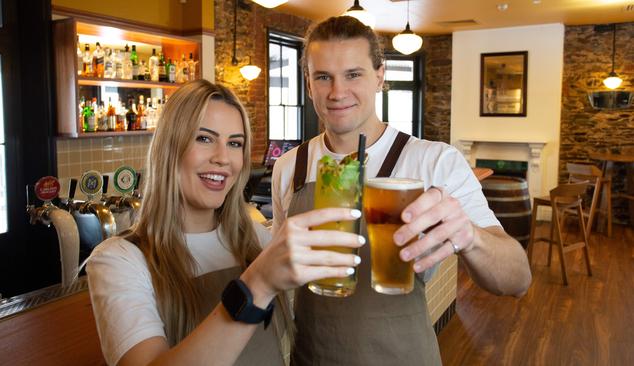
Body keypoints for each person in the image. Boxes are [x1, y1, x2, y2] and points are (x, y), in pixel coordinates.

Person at [271, 16, 532, 365]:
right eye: (323, 77)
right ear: (308, 83)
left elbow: (517, 279)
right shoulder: (289, 166)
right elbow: (279, 276)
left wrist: (470, 237)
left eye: (353, 74)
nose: (337, 92)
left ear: (380, 76)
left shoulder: (434, 162)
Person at [86, 79, 364, 366]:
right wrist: (258, 284)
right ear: (169, 147)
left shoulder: (256, 239)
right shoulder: (120, 260)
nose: (223, 158)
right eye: (204, 138)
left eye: (234, 143)